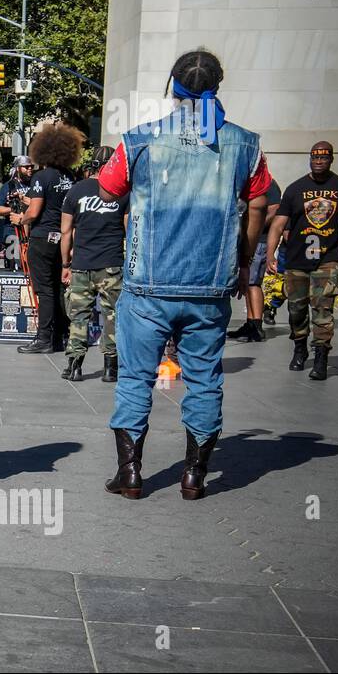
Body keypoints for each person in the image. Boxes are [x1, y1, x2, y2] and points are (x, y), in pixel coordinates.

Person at [98, 49, 271, 501]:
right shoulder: (246, 144)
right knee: (205, 379)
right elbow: (258, 205)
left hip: (147, 285)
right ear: (217, 87)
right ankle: (195, 475)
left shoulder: (138, 141)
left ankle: (131, 474)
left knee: (136, 379)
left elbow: (108, 187)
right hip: (209, 286)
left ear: (173, 89)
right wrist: (241, 260)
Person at [266, 141, 338, 380]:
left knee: (323, 310)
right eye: (315, 157)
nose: (319, 161)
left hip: (327, 261)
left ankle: (321, 356)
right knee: (296, 310)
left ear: (331, 159)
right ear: (310, 159)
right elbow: (278, 223)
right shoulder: (295, 189)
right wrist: (270, 254)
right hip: (297, 261)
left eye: (324, 158)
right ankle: (300, 347)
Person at [12, 123, 82, 353]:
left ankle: (44, 339)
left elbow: (34, 212)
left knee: (44, 290)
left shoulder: (42, 176)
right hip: (63, 238)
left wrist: (20, 219)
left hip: (42, 238)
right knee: (59, 288)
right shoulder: (71, 177)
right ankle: (61, 336)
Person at [59, 145, 126, 382]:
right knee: (112, 316)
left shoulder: (76, 191)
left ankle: (75, 366)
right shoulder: (122, 191)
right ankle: (111, 368)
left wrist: (65, 264)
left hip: (81, 264)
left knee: (78, 316)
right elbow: (129, 228)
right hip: (112, 264)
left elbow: (66, 231)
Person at [227, 178, 283, 343]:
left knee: (253, 283)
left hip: (259, 240)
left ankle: (256, 326)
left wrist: (253, 226)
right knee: (248, 282)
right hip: (247, 240)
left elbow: (274, 209)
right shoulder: (247, 181)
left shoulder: (268, 183)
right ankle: (250, 323)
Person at [0, 155, 35, 270]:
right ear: (18, 168)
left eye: (31, 167)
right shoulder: (9, 186)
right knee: (13, 266)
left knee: (30, 266)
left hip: (33, 231)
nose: (30, 169)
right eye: (26, 167)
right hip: (13, 231)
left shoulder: (36, 185)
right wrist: (14, 208)